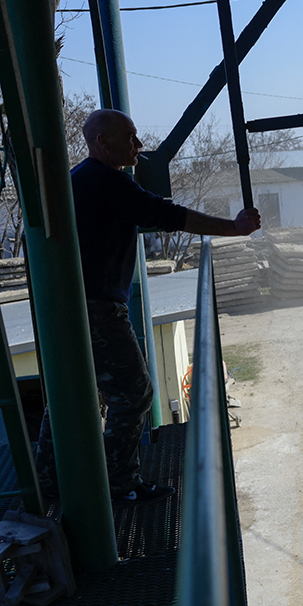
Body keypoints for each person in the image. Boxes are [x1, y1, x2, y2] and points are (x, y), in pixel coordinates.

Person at [34, 109, 261, 505]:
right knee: (134, 392)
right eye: (130, 136)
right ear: (103, 143)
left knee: (69, 394)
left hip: (72, 305)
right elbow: (169, 215)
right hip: (98, 307)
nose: (139, 145)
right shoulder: (108, 182)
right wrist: (234, 227)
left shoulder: (81, 178)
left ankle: (48, 484)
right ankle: (119, 484)